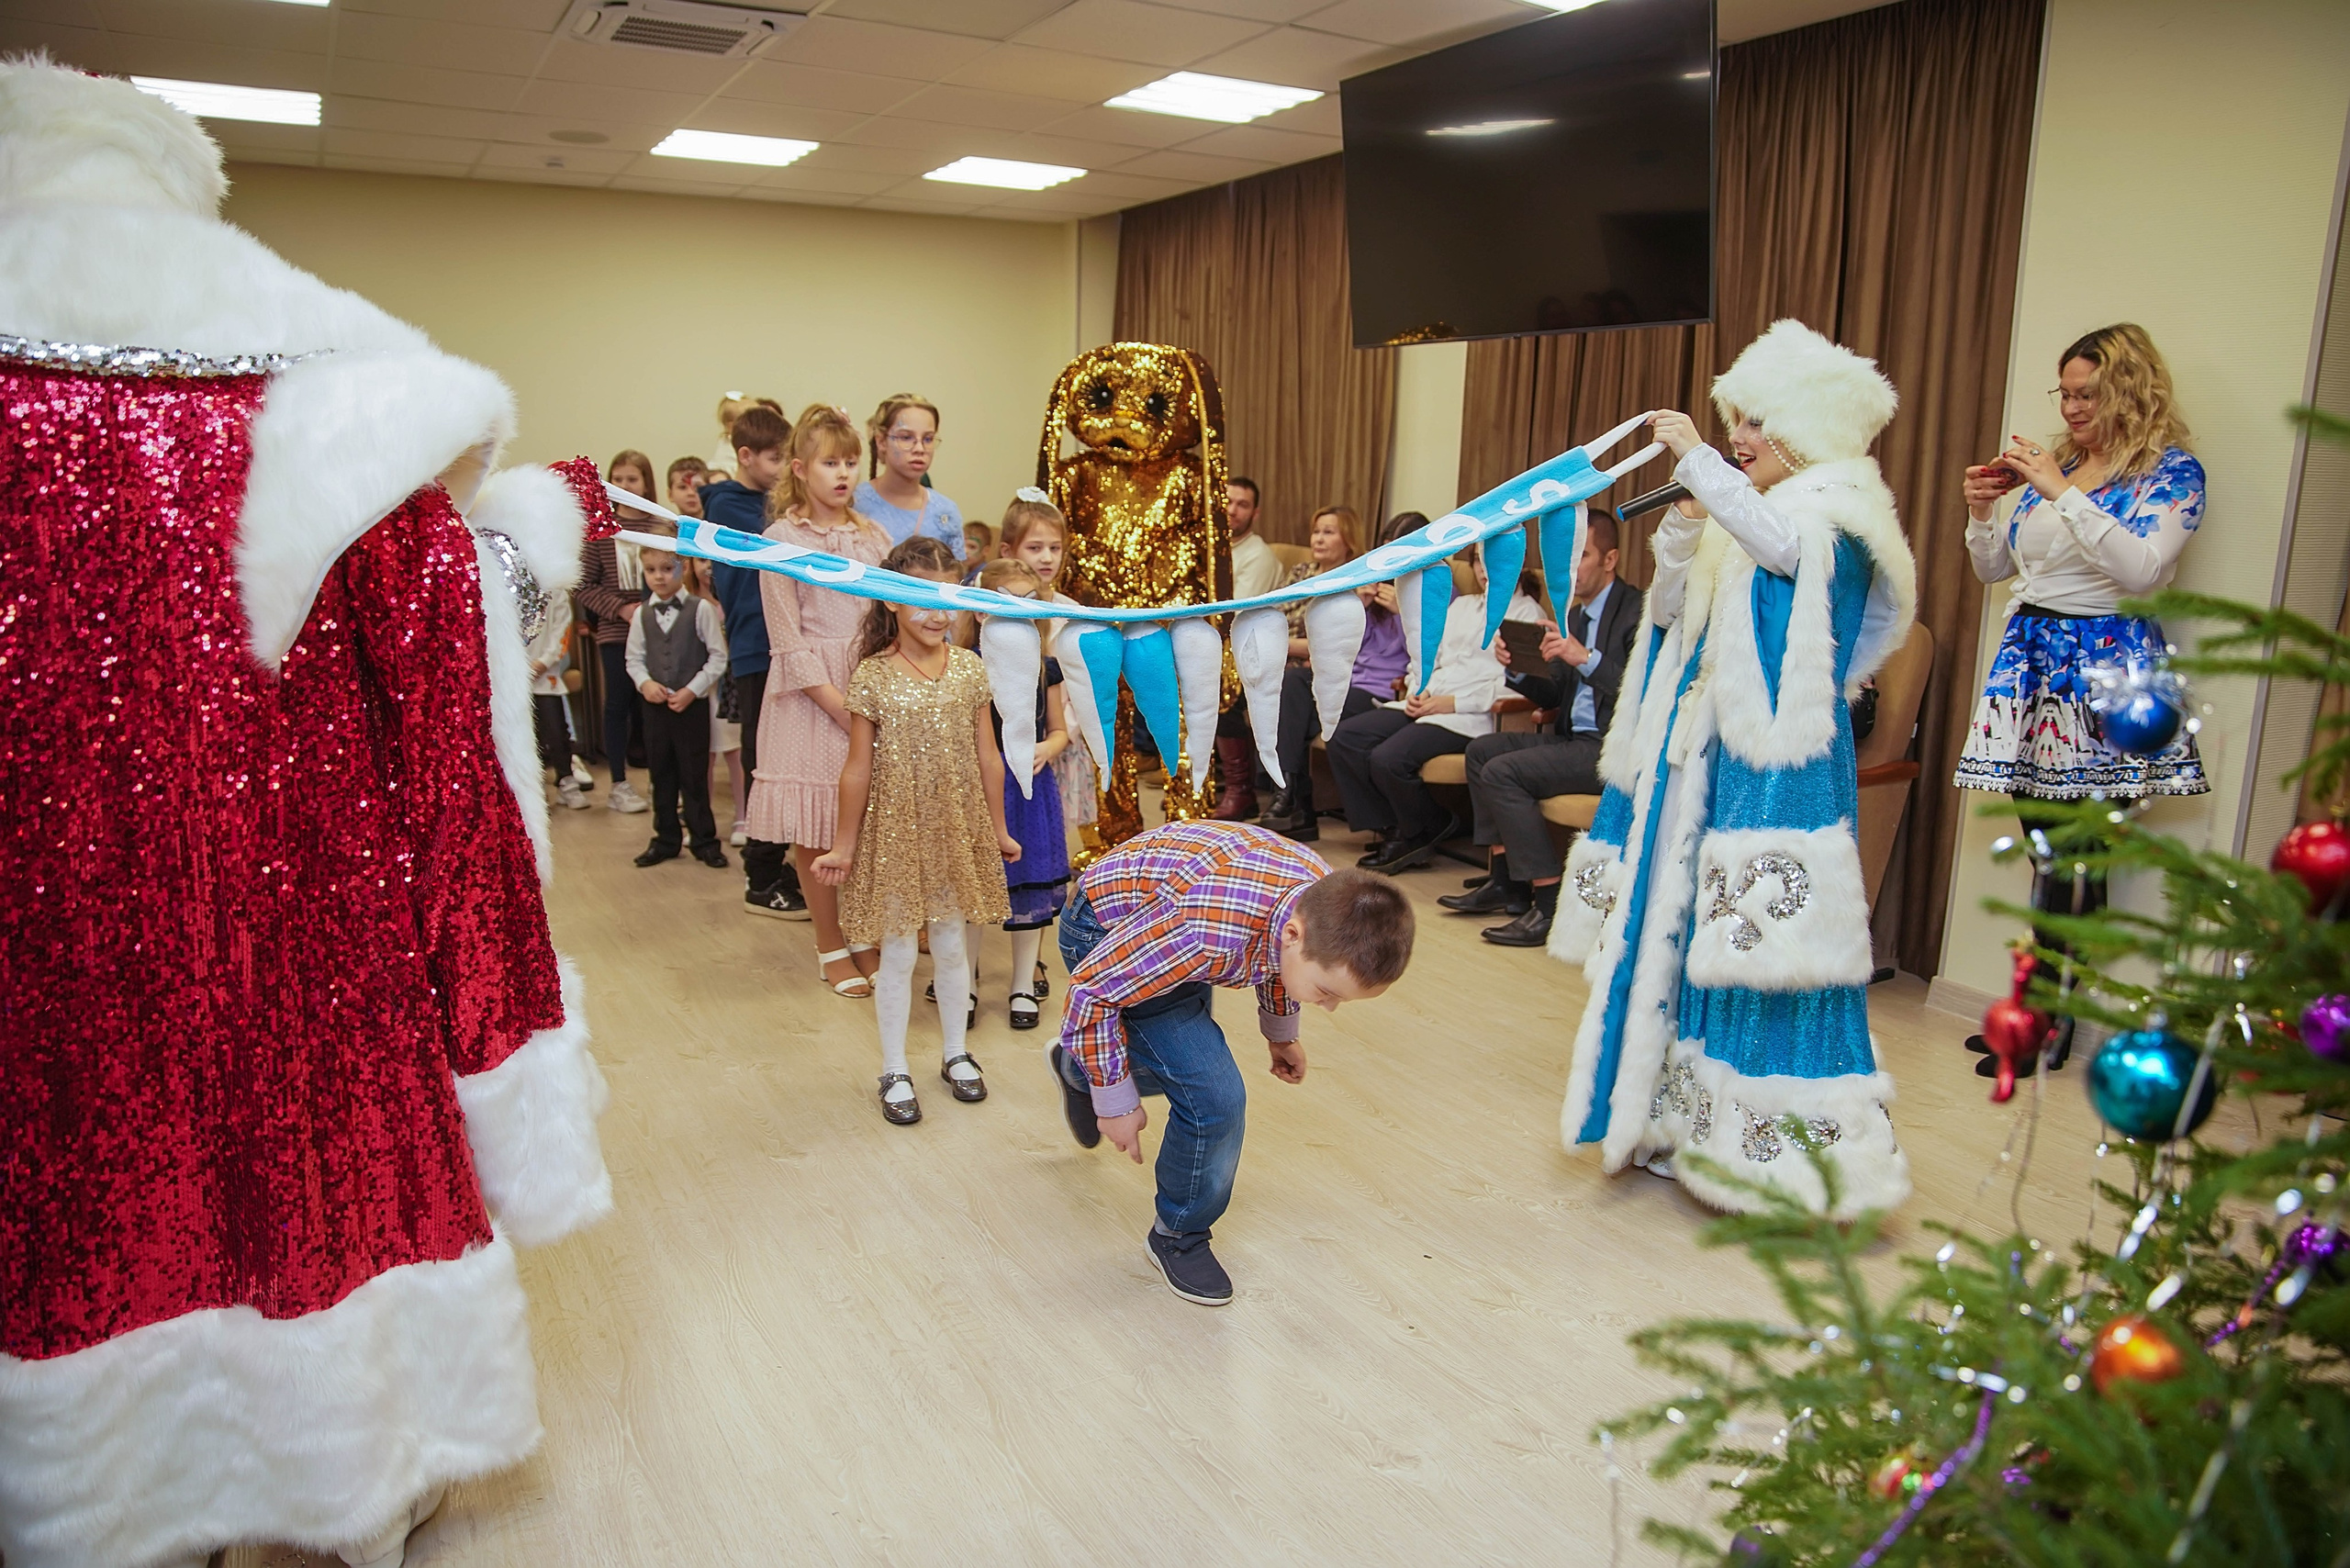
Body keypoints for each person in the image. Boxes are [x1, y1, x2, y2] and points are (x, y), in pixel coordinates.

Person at [1556, 319, 1918, 1221]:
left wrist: (1706, 475)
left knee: (1767, 950)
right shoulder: (1742, 509)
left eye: (1756, 420)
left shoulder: (1839, 504)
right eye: (1733, 421)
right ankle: (1684, 1129)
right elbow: (1673, 613)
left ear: (1807, 423)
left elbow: (1793, 558)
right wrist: (1684, 526)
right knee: (1687, 941)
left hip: (1777, 771)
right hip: (1702, 763)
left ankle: (1781, 1161)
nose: (1738, 436)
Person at [1953, 324, 2207, 1071]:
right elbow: (1998, 568)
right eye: (2064, 393)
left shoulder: (2172, 473)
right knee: (2049, 849)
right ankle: (2049, 1011)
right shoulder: (2063, 466)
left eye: (2086, 393)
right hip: (2031, 659)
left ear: (2129, 388)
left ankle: (2041, 1021)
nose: (2070, 408)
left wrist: (2062, 492)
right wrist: (1978, 513)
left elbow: (2143, 570)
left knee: (2076, 855)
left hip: (2106, 668)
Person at [1045, 822, 1416, 1306]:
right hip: (1106, 931)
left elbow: (1275, 959)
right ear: (1294, 933)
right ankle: (1178, 1234)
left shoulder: (1318, 900)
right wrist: (1114, 1102)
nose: (1329, 1007)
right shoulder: (1207, 930)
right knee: (1215, 1099)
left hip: (1164, 930)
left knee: (1182, 1063)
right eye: (1326, 992)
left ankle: (1078, 1067)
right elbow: (1094, 992)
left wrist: (1280, 1034)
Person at [811, 537, 1017, 1125]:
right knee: (899, 952)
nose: (935, 612)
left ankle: (956, 1053)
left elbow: (988, 758)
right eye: (918, 597)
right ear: (890, 603)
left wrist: (998, 830)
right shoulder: (873, 677)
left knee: (953, 946)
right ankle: (895, 1067)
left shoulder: (971, 670)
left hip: (957, 826)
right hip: (895, 829)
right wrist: (844, 847)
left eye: (946, 596)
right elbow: (857, 766)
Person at [745, 405, 895, 999]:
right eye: (830, 462)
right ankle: (830, 944)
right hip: (810, 700)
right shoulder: (779, 541)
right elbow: (787, 640)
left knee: (864, 822)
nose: (843, 473)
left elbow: (889, 616)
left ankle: (862, 933)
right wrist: (842, 706)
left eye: (851, 462)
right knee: (817, 826)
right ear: (802, 469)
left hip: (867, 685)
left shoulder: (872, 535)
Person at [1443, 512, 1642, 945]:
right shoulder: (1574, 614)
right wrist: (1515, 668)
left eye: (1583, 557)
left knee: (1503, 771)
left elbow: (1643, 693)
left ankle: (1549, 904)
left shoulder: (1638, 613)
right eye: (1566, 560)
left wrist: (1582, 656)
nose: (1570, 570)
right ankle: (1505, 881)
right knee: (1482, 752)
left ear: (1611, 559)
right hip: (1573, 737)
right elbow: (1553, 698)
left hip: (1613, 747)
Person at [1333, 539, 1544, 873]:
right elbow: (1426, 656)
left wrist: (1452, 703)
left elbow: (1514, 684)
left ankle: (1415, 834)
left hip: (1471, 715)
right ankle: (1406, 826)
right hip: (1429, 700)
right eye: (1478, 561)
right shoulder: (1462, 607)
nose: (1484, 571)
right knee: (1346, 737)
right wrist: (1418, 690)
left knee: (1388, 758)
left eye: (1494, 562)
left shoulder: (1527, 613)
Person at [956, 559, 1072, 1030]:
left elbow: (1061, 730)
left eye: (1029, 606)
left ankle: (1023, 982)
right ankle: (962, 981)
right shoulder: (967, 668)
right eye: (1005, 604)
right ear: (981, 613)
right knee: (974, 888)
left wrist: (1047, 746)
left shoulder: (1047, 667)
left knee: (1031, 885)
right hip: (979, 789)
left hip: (1030, 792)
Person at [702, 404, 806, 918]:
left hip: (787, 641)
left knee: (790, 758)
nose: (785, 468)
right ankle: (761, 879)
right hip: (756, 645)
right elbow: (787, 536)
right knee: (762, 758)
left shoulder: (768, 502)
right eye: (775, 458)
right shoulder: (730, 506)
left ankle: (785, 863)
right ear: (745, 456)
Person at [1259, 508, 1413, 842]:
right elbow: (1342, 646)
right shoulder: (1373, 584)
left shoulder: (1431, 595)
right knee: (1292, 684)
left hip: (1380, 688)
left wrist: (1405, 613)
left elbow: (1427, 651)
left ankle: (1295, 802)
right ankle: (1287, 794)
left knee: (1298, 717)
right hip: (1342, 678)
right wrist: (1356, 607)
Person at [624, 544, 730, 870]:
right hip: (655, 708)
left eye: (666, 569)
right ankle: (666, 838)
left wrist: (691, 690)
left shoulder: (701, 609)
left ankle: (704, 841)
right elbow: (634, 659)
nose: (659, 576)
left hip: (690, 706)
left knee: (694, 775)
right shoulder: (641, 614)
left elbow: (717, 656)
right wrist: (646, 684)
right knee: (661, 774)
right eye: (651, 570)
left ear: (682, 569)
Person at [1001, 492, 1097, 841]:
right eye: (1035, 547)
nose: (1046, 558)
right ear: (1008, 551)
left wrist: (1059, 739)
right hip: (1007, 741)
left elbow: (1081, 686)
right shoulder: (990, 610)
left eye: (1055, 548)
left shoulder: (1071, 613)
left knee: (1051, 836)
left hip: (1060, 741)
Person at [572, 450, 659, 812]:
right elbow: (583, 585)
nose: (625, 486)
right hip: (617, 633)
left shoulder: (661, 527)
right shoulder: (600, 530)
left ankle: (661, 781)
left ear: (645, 484)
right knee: (618, 706)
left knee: (654, 709)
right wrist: (621, 609)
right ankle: (620, 784)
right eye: (618, 479)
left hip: (659, 634)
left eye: (632, 479)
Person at [1211, 476, 1282, 821]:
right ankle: (1201, 781)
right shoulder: (1208, 548)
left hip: (1250, 650)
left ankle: (1241, 790)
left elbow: (1233, 617)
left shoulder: (1258, 555)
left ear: (1255, 513)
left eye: (1242, 504)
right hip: (1215, 645)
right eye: (1228, 501)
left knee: (1220, 686)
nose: (1233, 510)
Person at [855, 392, 965, 557]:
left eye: (928, 439)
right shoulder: (854, 503)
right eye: (906, 438)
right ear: (882, 442)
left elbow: (955, 578)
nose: (920, 449)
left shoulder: (946, 513)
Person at [528, 577, 588, 811]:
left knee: (556, 729)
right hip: (512, 673)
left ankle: (566, 780)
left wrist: (543, 662)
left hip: (545, 673)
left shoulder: (554, 585)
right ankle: (530, 789)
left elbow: (561, 627)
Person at [666, 454, 707, 518]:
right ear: (670, 495)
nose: (691, 493)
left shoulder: (724, 526)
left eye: (697, 487)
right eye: (682, 487)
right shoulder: (664, 527)